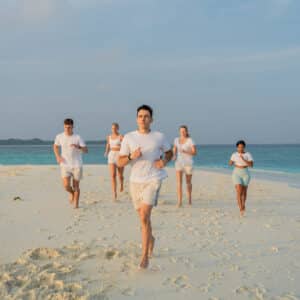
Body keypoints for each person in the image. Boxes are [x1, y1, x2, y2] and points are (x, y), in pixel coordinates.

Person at [118, 105, 173, 269]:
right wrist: (130, 156)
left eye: (146, 116)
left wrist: (163, 161)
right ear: (137, 119)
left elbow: (170, 152)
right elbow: (119, 161)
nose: (143, 119)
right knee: (143, 218)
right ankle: (151, 238)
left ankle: (144, 257)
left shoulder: (159, 136)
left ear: (151, 119)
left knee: (144, 216)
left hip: (153, 179)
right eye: (140, 116)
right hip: (135, 181)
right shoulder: (129, 137)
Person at [53, 118, 88, 209]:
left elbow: (86, 150)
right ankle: (72, 193)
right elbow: (55, 146)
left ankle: (76, 205)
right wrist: (57, 156)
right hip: (65, 165)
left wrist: (78, 147)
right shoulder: (59, 136)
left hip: (77, 165)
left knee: (76, 186)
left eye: (69, 127)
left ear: (73, 127)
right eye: (65, 127)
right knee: (66, 186)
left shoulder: (77, 137)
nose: (67, 129)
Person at [173, 125, 197, 207]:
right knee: (179, 183)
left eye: (184, 131)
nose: (182, 132)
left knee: (188, 183)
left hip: (188, 164)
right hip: (179, 163)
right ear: (179, 132)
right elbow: (174, 149)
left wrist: (185, 151)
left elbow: (194, 152)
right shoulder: (176, 140)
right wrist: (174, 156)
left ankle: (189, 199)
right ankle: (179, 202)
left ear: (186, 132)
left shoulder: (190, 140)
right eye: (181, 131)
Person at [229, 140, 254, 216]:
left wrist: (244, 159)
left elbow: (251, 165)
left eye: (242, 147)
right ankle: (241, 208)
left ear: (244, 147)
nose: (240, 148)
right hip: (236, 172)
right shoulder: (234, 154)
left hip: (245, 173)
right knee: (239, 190)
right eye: (239, 147)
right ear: (237, 147)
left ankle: (243, 204)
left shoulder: (248, 154)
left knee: (244, 191)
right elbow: (230, 163)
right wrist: (231, 162)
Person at [104, 123, 124, 200]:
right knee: (112, 175)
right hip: (111, 155)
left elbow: (125, 145)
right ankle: (114, 193)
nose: (114, 129)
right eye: (112, 128)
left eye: (115, 128)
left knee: (120, 175)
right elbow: (108, 144)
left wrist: (121, 148)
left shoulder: (121, 137)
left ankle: (121, 183)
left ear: (118, 128)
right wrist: (106, 151)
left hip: (119, 156)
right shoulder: (109, 137)